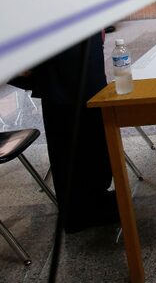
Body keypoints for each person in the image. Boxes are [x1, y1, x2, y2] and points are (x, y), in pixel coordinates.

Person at [14, 33, 118, 233]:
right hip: (62, 51)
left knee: (92, 120)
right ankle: (79, 210)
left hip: (81, 43)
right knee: (68, 121)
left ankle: (96, 196)